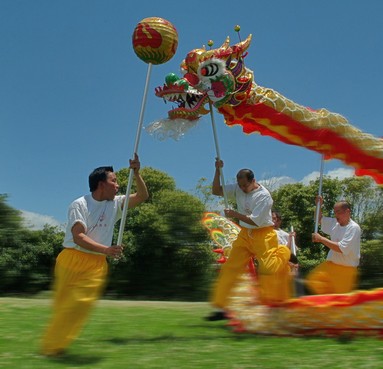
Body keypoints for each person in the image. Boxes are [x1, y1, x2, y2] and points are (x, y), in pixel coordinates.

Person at [40, 154, 149, 356]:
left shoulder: (115, 203)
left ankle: (52, 347)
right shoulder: (79, 204)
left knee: (79, 304)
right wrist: (107, 249)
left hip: (96, 264)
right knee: (63, 306)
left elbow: (142, 196)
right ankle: (55, 345)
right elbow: (79, 236)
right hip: (71, 258)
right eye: (114, 181)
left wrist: (137, 172)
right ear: (101, 184)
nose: (118, 185)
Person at [205, 159, 291, 321]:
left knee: (268, 269)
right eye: (240, 185)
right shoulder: (238, 188)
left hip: (263, 233)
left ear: (253, 181)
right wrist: (217, 170)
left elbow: (255, 221)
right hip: (245, 234)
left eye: (245, 185)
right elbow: (216, 190)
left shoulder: (264, 196)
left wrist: (234, 214)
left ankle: (284, 252)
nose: (242, 189)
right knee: (230, 267)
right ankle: (223, 307)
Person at [306, 196, 361, 295]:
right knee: (313, 280)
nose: (336, 215)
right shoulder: (334, 223)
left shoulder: (354, 228)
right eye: (335, 212)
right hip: (331, 266)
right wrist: (319, 205)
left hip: (345, 271)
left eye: (338, 212)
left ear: (347, 211)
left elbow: (341, 248)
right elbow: (318, 219)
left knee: (339, 300)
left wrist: (321, 239)